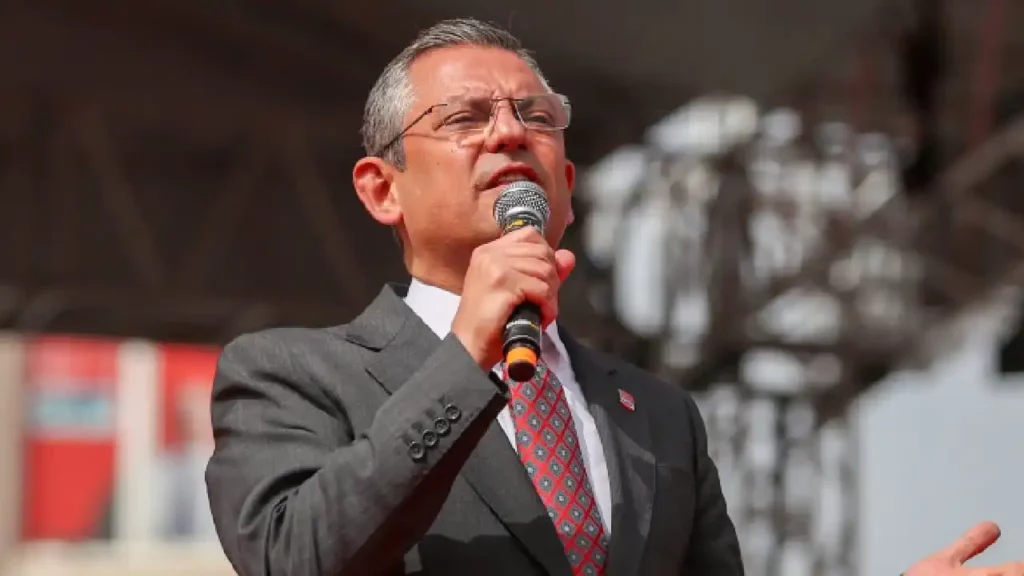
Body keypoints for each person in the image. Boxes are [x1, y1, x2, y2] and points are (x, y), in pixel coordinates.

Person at [204, 18, 1023, 576]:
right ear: (383, 188)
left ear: (565, 182)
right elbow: (294, 557)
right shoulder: (291, 374)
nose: (508, 132)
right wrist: (464, 360)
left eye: (535, 115)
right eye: (464, 118)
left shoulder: (658, 415)